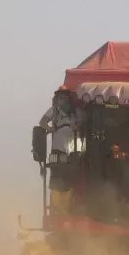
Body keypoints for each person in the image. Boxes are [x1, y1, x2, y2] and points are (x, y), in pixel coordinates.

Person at [38, 85, 85, 214]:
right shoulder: (53, 111)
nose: (61, 99)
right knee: (56, 180)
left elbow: (84, 124)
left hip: (74, 150)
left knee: (70, 181)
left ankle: (65, 209)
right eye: (59, 97)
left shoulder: (77, 112)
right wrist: (50, 129)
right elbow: (42, 122)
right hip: (57, 150)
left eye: (63, 96)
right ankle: (56, 210)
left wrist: (77, 126)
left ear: (69, 98)